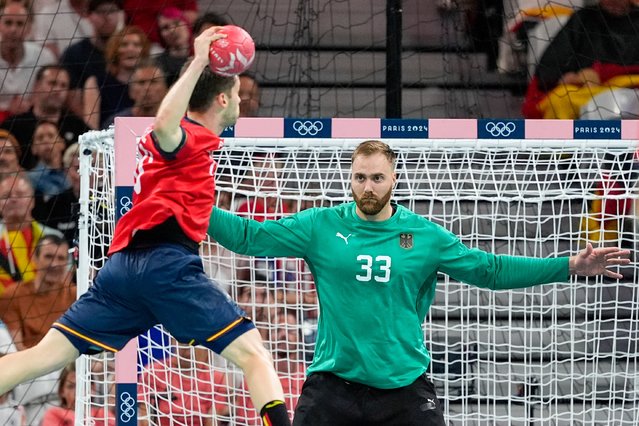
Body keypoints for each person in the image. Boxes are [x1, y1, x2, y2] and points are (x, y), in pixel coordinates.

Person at [206, 139, 631, 426]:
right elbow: (249, 237)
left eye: (376, 178)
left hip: (403, 390)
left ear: (394, 179)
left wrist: (568, 266)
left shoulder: (424, 236)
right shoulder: (321, 226)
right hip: (332, 387)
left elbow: (490, 271)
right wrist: (187, 201)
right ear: (349, 179)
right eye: (359, 178)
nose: (367, 187)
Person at [0, 27, 291, 426]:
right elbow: (163, 127)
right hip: (165, 266)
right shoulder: (189, 138)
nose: (242, 101)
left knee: (46, 356)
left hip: (123, 272)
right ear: (222, 99)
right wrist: (200, 61)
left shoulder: (197, 149)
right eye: (238, 95)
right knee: (254, 353)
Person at [522, 0, 639, 119]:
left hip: (631, 90)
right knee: (560, 100)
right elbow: (552, 64)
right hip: (586, 91)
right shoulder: (583, 19)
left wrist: (603, 73)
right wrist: (572, 77)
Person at [0, 65, 89, 169]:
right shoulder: (13, 126)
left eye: (63, 85)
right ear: (37, 86)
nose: (57, 90)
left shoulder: (78, 127)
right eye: (52, 83)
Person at [0, 174, 64, 293]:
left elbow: (64, 279)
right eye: (6, 196)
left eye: (20, 194)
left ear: (32, 201)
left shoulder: (55, 237)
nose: (13, 199)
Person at [0, 2, 55, 121]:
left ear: (29, 29)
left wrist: (31, 103)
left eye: (20, 24)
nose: (13, 29)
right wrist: (8, 108)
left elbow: (54, 91)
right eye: (8, 23)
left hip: (34, 119)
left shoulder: (44, 57)